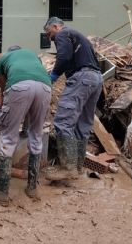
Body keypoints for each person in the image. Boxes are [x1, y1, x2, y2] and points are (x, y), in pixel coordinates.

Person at [0, 46, 52, 206]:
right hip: (45, 87)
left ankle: (2, 193)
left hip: (19, 87)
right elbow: (35, 83)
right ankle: (32, 188)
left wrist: (5, 107)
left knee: (8, 136)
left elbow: (4, 86)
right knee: (36, 135)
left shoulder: (3, 59)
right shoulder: (32, 55)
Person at [42, 17, 103, 182]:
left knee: (62, 122)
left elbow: (64, 56)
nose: (50, 38)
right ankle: (77, 167)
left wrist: (54, 75)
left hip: (81, 78)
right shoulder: (79, 36)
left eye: (49, 34)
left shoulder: (63, 33)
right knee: (83, 125)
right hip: (96, 79)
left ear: (56, 26)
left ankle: (67, 168)